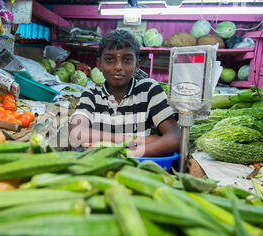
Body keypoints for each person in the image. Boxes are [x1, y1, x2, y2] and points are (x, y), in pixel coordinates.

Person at [69, 29, 180, 157]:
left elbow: (175, 138)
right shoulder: (91, 95)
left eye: (127, 60)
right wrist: (137, 140)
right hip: (101, 169)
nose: (118, 66)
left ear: (137, 65)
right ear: (99, 64)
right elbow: (76, 133)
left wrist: (123, 154)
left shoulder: (149, 90)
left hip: (138, 167)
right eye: (110, 59)